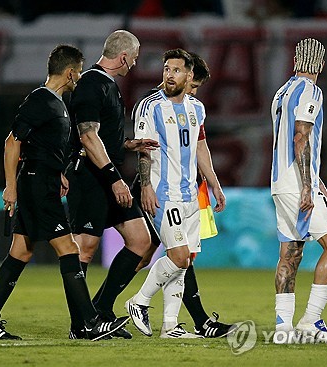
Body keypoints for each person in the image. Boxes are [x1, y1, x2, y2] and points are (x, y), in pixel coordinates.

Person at [0, 44, 128, 341]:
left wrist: (58, 171)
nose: (80, 78)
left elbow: (43, 144)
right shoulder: (40, 100)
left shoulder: (56, 102)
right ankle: (87, 323)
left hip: (44, 180)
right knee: (69, 249)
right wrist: (10, 187)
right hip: (36, 185)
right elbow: (11, 142)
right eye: (79, 72)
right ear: (70, 72)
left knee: (21, 251)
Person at [130, 52, 232, 338]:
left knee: (185, 261)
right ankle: (139, 301)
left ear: (189, 76)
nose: (169, 74)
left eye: (176, 70)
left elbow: (201, 148)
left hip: (190, 196)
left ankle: (170, 326)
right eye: (166, 68)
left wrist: (214, 183)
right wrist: (147, 186)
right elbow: (143, 148)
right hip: (164, 193)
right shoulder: (150, 106)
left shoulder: (197, 108)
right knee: (177, 255)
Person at [65, 30, 159, 339]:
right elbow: (87, 136)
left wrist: (128, 145)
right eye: (133, 58)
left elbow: (101, 136)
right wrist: (115, 178)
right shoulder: (91, 84)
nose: (134, 64)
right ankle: (81, 324)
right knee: (85, 249)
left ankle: (102, 311)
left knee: (142, 241)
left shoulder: (107, 85)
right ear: (122, 57)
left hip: (107, 175)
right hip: (91, 178)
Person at [270, 38, 327, 344]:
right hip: (297, 184)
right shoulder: (310, 91)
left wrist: (318, 181)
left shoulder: (282, 92)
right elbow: (301, 138)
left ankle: (282, 327)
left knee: (291, 252)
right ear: (322, 64)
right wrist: (307, 186)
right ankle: (311, 321)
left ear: (295, 61)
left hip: (279, 182)